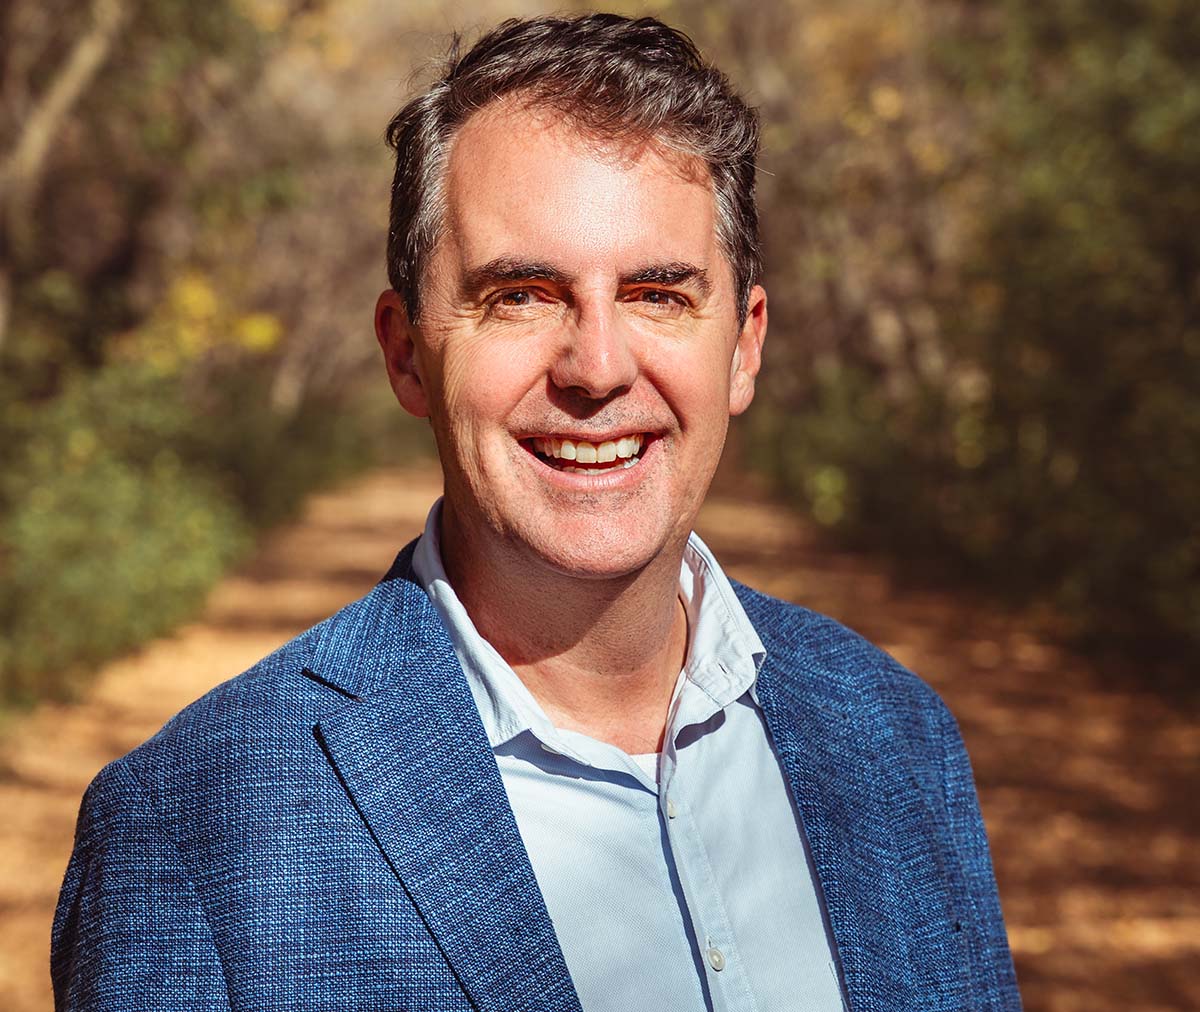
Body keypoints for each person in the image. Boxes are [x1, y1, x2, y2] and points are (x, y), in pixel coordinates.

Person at [51, 13, 1020, 1012]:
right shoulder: (195, 829)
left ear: (744, 346)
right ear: (404, 352)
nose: (596, 368)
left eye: (658, 294)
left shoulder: (895, 737)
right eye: (520, 294)